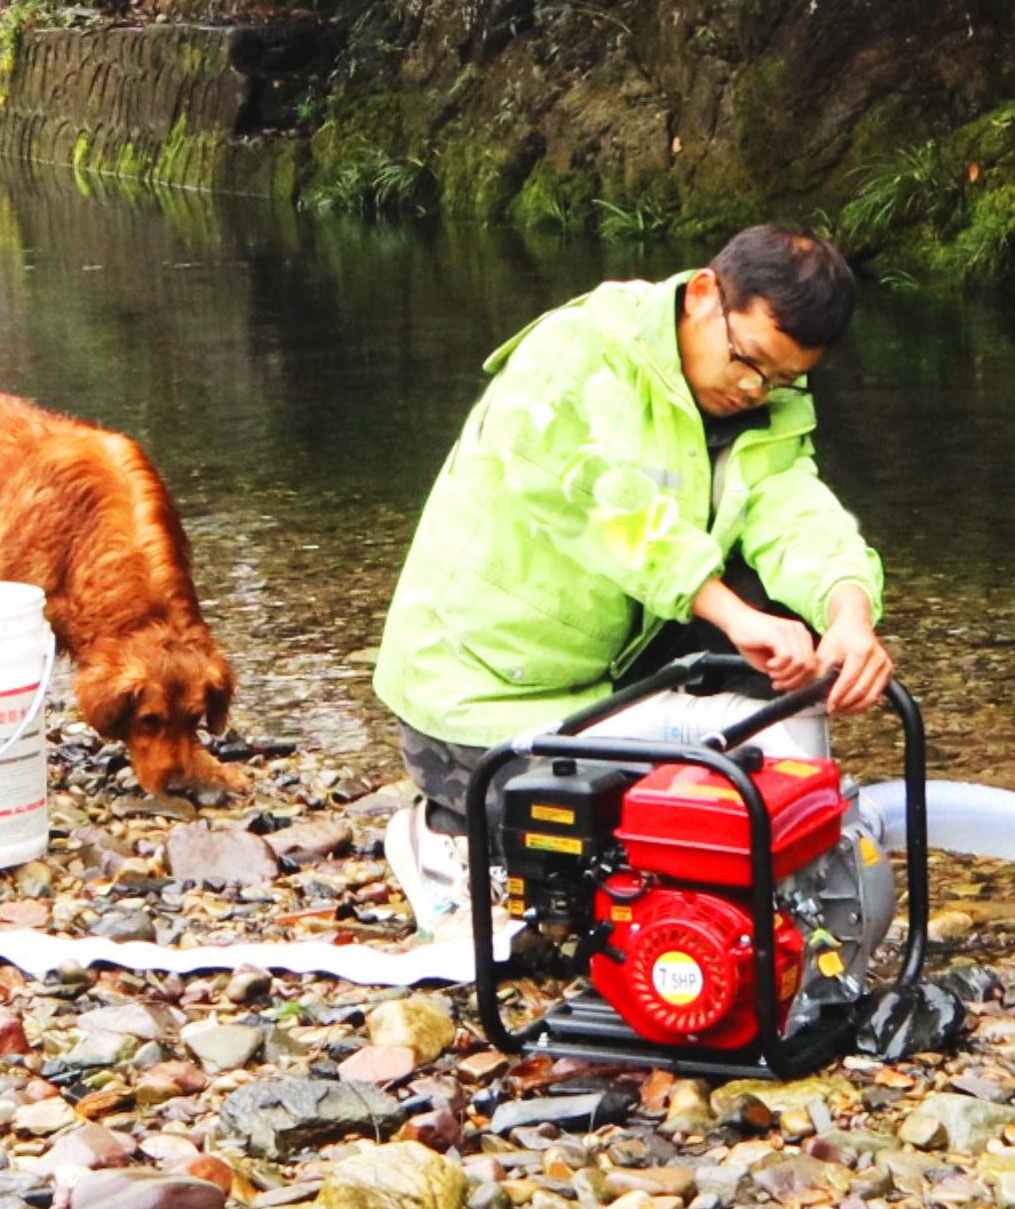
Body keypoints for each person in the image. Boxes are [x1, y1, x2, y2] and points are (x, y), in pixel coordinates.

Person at [372, 225, 894, 935]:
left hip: (609, 665)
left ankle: (776, 859)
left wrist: (849, 610)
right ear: (706, 294)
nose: (754, 388)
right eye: (749, 362)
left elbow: (793, 508)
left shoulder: (762, 396)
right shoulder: (578, 351)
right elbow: (594, 502)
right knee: (588, 841)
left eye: (781, 378)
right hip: (482, 687)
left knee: (781, 628)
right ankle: (445, 837)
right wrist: (729, 613)